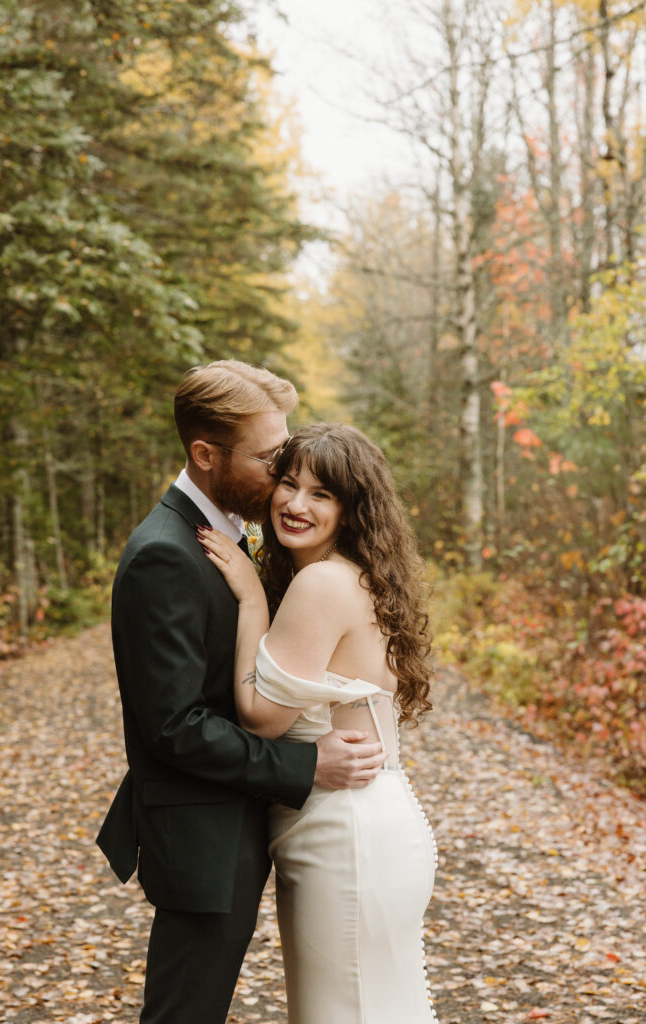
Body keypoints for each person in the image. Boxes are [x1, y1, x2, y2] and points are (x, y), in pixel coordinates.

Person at [96, 362, 387, 1024]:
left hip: (236, 820)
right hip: (202, 833)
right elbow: (173, 725)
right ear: (205, 455)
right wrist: (308, 765)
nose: (280, 474)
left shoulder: (225, 534)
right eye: (267, 458)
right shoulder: (164, 554)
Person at [200, 421, 439, 1024]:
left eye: (321, 493)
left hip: (345, 833)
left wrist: (252, 601)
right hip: (367, 820)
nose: (295, 504)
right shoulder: (360, 574)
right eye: (289, 483)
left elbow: (261, 720)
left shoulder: (322, 582)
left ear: (352, 508)